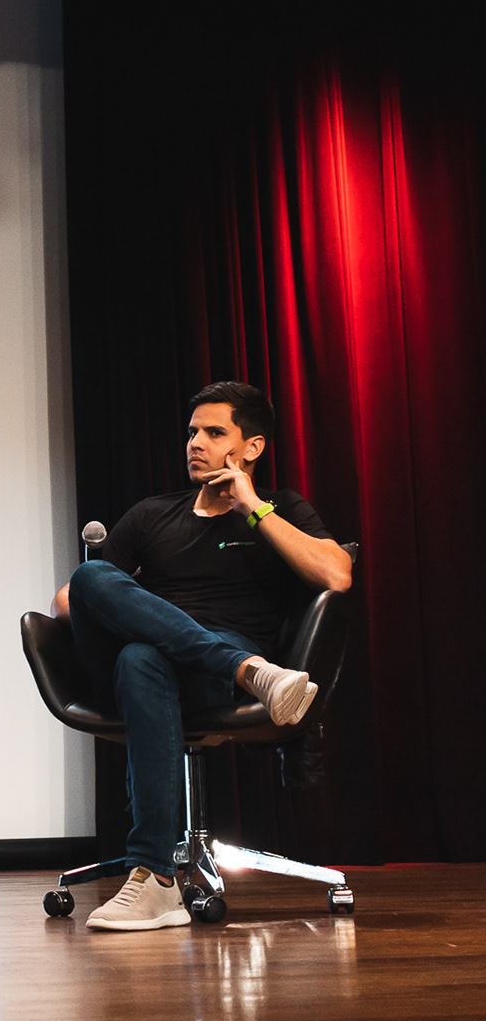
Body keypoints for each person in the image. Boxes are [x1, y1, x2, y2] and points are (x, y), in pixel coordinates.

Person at [50, 382, 352, 932]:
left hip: (207, 678)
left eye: (214, 433)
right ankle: (250, 671)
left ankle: (156, 881)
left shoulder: (280, 509)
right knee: (92, 578)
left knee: (140, 658)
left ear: (252, 447)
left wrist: (252, 507)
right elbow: (68, 603)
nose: (196, 443)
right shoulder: (151, 515)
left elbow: (336, 574)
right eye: (193, 432)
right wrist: (139, 605)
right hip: (208, 669)